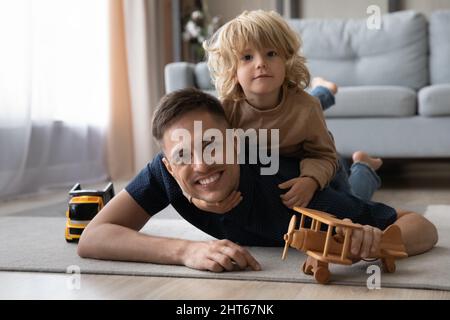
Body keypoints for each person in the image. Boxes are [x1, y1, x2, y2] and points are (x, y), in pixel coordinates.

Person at [77, 88, 438, 273]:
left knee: (354, 188)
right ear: (168, 166)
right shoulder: (164, 171)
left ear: (235, 143)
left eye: (211, 145)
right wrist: (187, 251)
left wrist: (374, 245)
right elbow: (94, 236)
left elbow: (421, 226)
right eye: (183, 155)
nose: (201, 164)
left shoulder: (289, 191)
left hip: (329, 175)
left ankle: (363, 165)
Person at [192, 9, 380, 212]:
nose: (261, 63)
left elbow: (324, 155)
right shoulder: (226, 110)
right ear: (232, 71)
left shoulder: (307, 108)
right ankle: (323, 89)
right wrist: (202, 201)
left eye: (271, 54)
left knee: (352, 209)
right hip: (270, 171)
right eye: (247, 57)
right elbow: (200, 158)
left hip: (311, 166)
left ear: (286, 60)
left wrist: (310, 181)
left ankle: (363, 167)